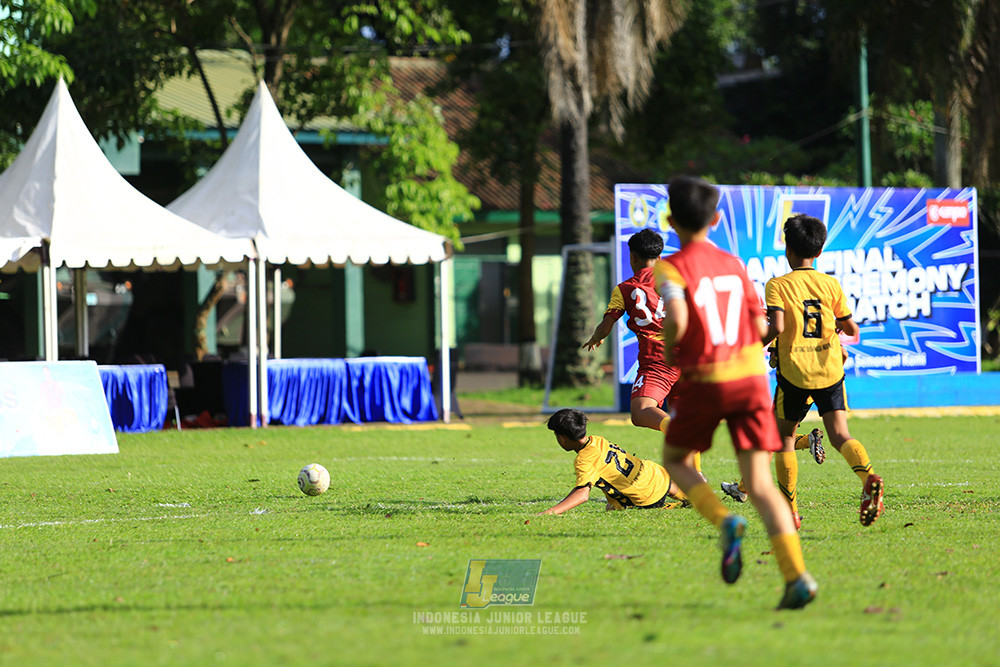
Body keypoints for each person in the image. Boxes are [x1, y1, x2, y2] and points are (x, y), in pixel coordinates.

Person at [652, 175, 816, 609]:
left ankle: (724, 520)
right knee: (760, 484)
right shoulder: (733, 264)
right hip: (749, 379)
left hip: (706, 379)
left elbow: (678, 320)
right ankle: (797, 577)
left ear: (671, 221)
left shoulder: (670, 266)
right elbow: (760, 325)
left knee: (676, 460)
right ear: (716, 219)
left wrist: (670, 350)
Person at [759, 213, 885, 527]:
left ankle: (790, 511)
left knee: (783, 438)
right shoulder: (830, 284)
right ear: (819, 251)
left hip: (794, 373)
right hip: (829, 369)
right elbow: (851, 328)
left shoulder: (777, 285)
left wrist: (752, 344)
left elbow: (776, 326)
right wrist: (839, 327)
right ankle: (869, 478)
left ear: (787, 249)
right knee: (840, 435)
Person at [583, 228, 703, 476]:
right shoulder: (678, 280)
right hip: (688, 357)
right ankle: (696, 475)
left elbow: (607, 324)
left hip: (658, 360)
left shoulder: (625, 289)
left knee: (641, 412)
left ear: (633, 257)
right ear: (659, 257)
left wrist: (596, 337)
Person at [540, 408, 689, 515]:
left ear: (562, 438)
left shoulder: (584, 460)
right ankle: (690, 498)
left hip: (645, 497)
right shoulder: (597, 440)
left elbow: (582, 494)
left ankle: (673, 506)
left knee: (615, 508)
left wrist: (549, 512)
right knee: (614, 504)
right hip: (656, 474)